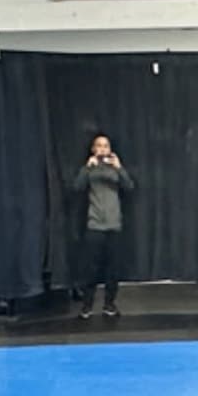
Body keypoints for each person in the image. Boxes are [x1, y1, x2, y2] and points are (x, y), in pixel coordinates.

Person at [74, 134, 132, 317]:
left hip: (114, 225)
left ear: (110, 149)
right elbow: (77, 187)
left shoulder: (115, 169)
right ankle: (87, 305)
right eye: (99, 146)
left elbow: (129, 187)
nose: (102, 149)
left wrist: (119, 168)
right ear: (93, 149)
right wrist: (86, 168)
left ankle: (109, 304)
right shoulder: (90, 169)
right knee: (90, 269)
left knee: (112, 269)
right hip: (95, 225)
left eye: (105, 146)